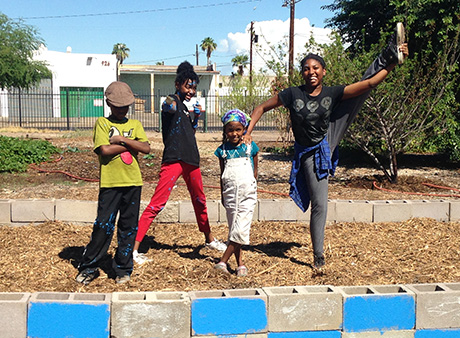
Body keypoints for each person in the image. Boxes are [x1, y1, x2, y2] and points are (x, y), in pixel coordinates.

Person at [245, 27, 409, 269]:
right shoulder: (292, 94)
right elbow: (260, 108)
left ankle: (389, 55)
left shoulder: (332, 93)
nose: (311, 72)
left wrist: (393, 65)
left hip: (327, 137)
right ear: (302, 73)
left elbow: (370, 83)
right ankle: (318, 252)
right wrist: (248, 132)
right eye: (306, 68)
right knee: (318, 202)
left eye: (316, 68)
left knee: (360, 92)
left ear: (323, 72)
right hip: (307, 151)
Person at [133, 61, 226, 265]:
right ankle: (134, 249)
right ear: (177, 84)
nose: (191, 90)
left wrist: (196, 118)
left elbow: (188, 132)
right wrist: (173, 101)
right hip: (174, 159)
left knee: (199, 201)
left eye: (193, 87)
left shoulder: (184, 107)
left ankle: (209, 239)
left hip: (191, 160)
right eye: (187, 86)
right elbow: (167, 106)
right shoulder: (172, 102)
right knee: (157, 203)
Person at [75, 81, 151, 285]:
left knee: (128, 227)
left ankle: (123, 268)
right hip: (110, 184)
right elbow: (104, 150)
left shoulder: (135, 124)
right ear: (109, 104)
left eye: (125, 106)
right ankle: (89, 266)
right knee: (103, 226)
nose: (122, 110)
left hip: (133, 183)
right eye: (118, 106)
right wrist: (131, 146)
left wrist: (121, 141)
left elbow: (146, 148)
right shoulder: (102, 123)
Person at [213, 109, 259, 277]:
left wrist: (253, 188)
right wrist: (222, 195)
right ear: (225, 131)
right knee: (234, 228)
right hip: (230, 192)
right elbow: (222, 173)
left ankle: (223, 261)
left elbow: (255, 172)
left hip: (248, 192)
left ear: (244, 129)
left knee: (241, 229)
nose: (234, 133)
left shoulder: (249, 147)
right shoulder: (222, 151)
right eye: (230, 129)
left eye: (238, 129)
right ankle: (240, 264)